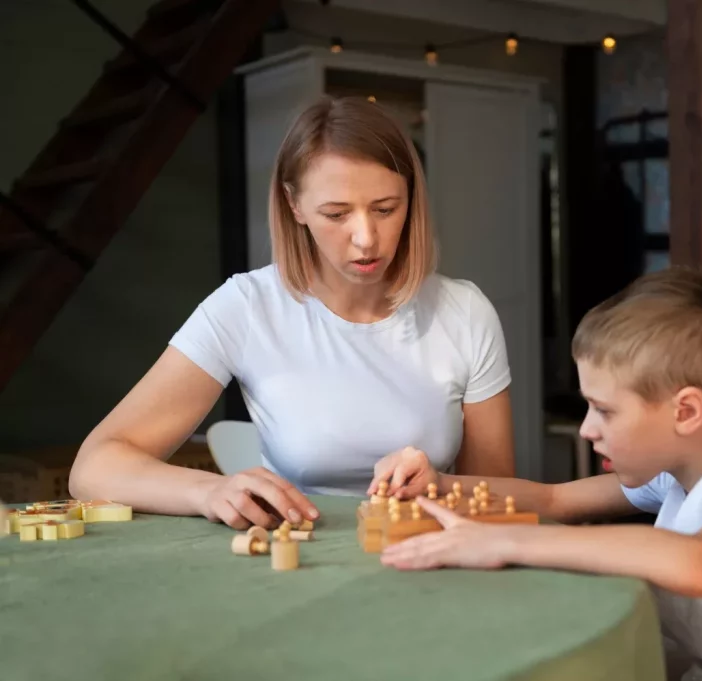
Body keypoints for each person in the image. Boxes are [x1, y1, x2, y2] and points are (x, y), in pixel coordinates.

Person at [368, 267, 702, 681]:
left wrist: (502, 543)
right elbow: (554, 500)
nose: (587, 430)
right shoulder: (683, 463)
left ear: (686, 413)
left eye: (605, 411)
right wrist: (441, 483)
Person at [69, 96, 515, 531]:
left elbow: (497, 497)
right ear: (294, 205)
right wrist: (207, 491)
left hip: (426, 553)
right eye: (336, 214)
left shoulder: (465, 312)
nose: (365, 238)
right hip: (299, 558)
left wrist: (441, 485)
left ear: (411, 199)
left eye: (385, 209)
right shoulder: (246, 307)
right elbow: (95, 467)